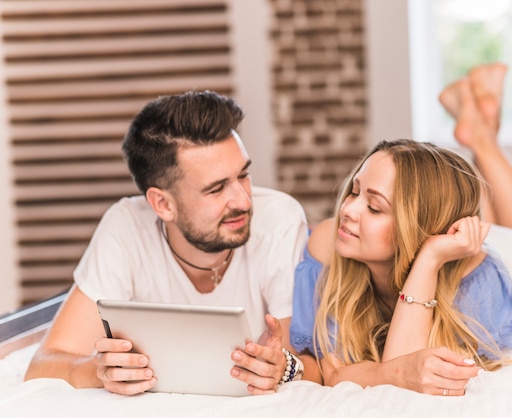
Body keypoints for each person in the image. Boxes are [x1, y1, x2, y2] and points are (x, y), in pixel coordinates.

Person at [290, 63, 512, 397]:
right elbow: (336, 374)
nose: (347, 211)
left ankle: (481, 139)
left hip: (493, 254)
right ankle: (477, 129)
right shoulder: (328, 243)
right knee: (471, 201)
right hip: (443, 237)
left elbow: (404, 373)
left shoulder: (479, 279)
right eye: (354, 191)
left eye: (374, 206)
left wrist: (429, 259)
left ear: (420, 232)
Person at [24, 90, 311, 396]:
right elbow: (43, 365)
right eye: (216, 190)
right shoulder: (126, 226)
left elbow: (300, 360)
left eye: (243, 175)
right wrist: (99, 371)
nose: (243, 200)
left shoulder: (280, 219)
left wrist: (283, 368)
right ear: (162, 204)